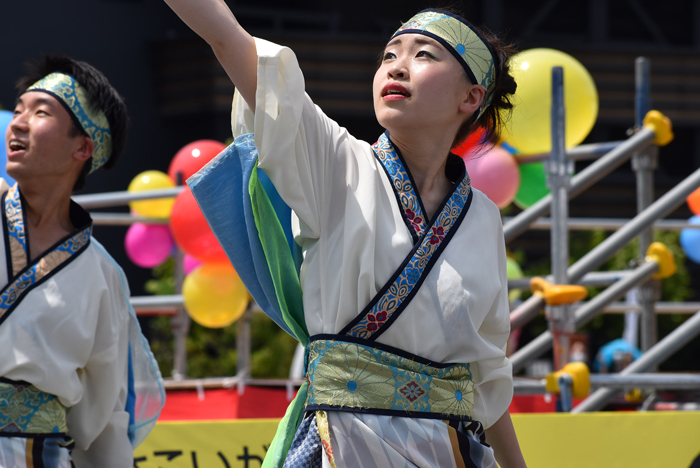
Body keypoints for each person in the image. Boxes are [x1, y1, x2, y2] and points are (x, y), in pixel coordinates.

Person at [166, 2, 526, 467]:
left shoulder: (481, 217)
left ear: (471, 98)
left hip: (446, 451)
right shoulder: (336, 163)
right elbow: (227, 37)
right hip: (342, 443)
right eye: (389, 54)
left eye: (423, 55)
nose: (396, 65)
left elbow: (487, 374)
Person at [0, 56, 164, 467]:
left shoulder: (102, 275)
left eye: (40, 113)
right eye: (17, 110)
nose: (16, 124)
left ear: (83, 146)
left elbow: (105, 418)